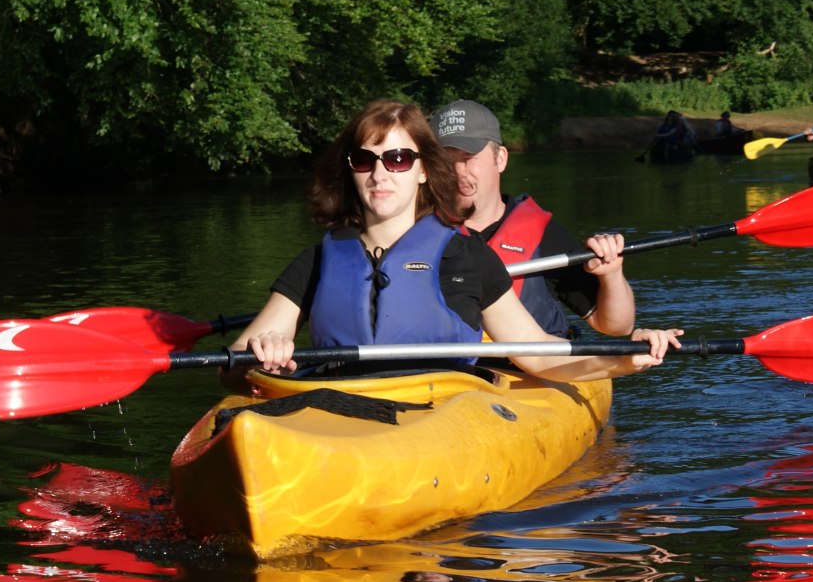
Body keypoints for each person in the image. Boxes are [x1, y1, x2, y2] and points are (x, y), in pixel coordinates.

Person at [218, 99, 682, 393]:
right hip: (340, 405)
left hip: (440, 409)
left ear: (422, 169)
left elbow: (541, 356)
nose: (381, 175)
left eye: (398, 159)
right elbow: (233, 369)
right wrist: (263, 354)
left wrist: (627, 359)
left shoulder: (467, 257)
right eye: (365, 159)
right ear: (351, 169)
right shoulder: (319, 260)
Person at [430, 98, 634, 340]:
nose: (458, 172)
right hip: (451, 372)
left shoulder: (546, 237)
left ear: (500, 159)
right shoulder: (416, 237)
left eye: (468, 157)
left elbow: (617, 326)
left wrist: (610, 274)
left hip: (532, 371)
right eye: (446, 161)